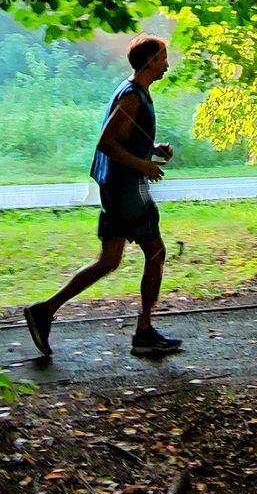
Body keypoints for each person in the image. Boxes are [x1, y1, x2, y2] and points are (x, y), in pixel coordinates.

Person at [23, 34, 183, 358]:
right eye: (164, 57)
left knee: (108, 261)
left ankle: (44, 311)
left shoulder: (136, 93)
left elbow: (123, 137)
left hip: (118, 189)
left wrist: (151, 148)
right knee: (156, 254)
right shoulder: (133, 97)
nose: (168, 63)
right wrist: (144, 165)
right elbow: (106, 143)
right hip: (126, 191)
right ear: (150, 61)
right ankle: (144, 333)